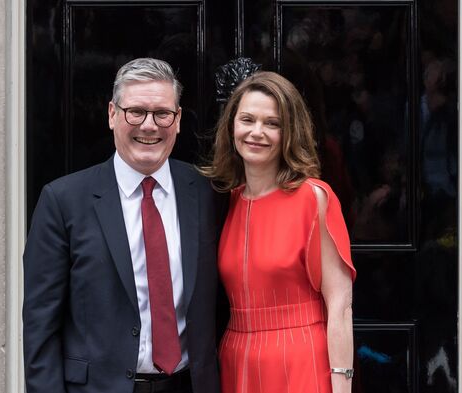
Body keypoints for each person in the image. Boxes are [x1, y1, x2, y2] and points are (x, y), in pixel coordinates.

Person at [23, 58, 225, 393]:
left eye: (162, 113)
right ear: (112, 114)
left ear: (177, 121)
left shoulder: (206, 194)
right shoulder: (63, 201)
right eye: (136, 112)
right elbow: (40, 326)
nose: (149, 125)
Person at [202, 71, 357, 393]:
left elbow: (340, 305)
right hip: (236, 359)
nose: (256, 132)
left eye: (272, 123)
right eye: (247, 119)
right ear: (232, 126)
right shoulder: (225, 202)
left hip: (299, 356)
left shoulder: (313, 198)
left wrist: (341, 384)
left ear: (290, 132)